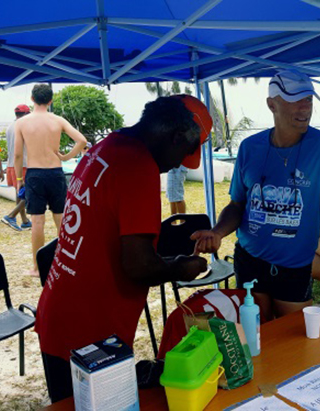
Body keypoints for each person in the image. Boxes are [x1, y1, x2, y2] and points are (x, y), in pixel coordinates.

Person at [35, 95, 211, 403]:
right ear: (176, 137)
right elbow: (138, 266)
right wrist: (181, 267)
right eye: (181, 154)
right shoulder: (138, 165)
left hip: (61, 316)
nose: (174, 166)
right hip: (90, 331)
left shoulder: (107, 146)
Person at [192, 70, 320, 324]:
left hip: (295, 266)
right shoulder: (250, 147)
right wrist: (218, 232)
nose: (304, 107)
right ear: (271, 104)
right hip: (250, 260)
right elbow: (237, 205)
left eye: (308, 98)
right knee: (256, 339)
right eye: (295, 99)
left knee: (297, 345)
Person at [14, 84, 87, 277]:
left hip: (35, 174)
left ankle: (38, 268)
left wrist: (20, 178)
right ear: (50, 100)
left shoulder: (22, 123)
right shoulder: (58, 120)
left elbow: (18, 155)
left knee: (37, 221)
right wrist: (65, 157)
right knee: (61, 219)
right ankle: (66, 261)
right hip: (55, 172)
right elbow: (81, 140)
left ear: (32, 99)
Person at [1, 104, 32, 231]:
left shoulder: (10, 126)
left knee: (19, 194)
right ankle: (11, 215)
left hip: (11, 164)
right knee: (32, 192)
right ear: (26, 114)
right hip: (23, 163)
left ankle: (24, 221)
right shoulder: (24, 125)